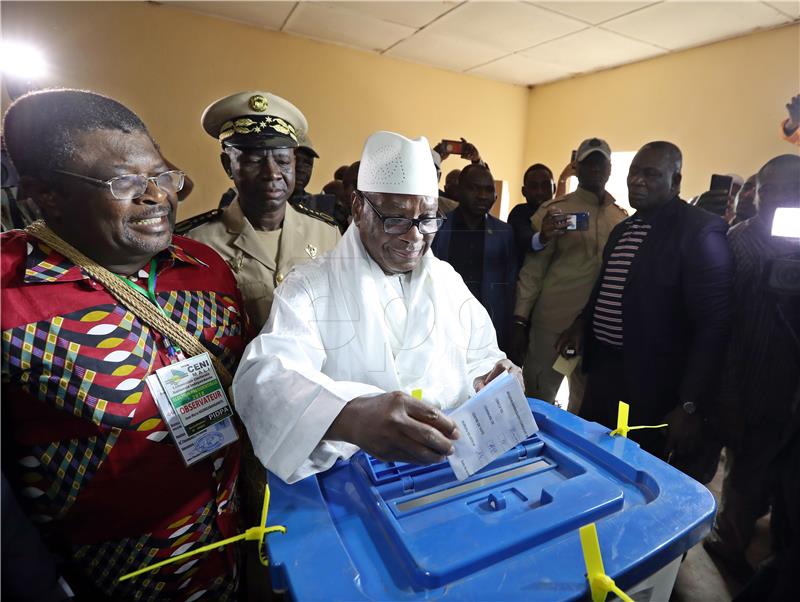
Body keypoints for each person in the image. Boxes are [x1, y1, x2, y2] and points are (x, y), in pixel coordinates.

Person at [1, 89, 247, 600]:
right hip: (113, 578)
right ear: (45, 194)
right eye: (124, 182)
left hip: (234, 544)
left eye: (162, 175)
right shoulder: (9, 294)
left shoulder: (207, 267)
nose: (156, 195)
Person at [232, 131, 519, 484]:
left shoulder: (447, 281)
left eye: (427, 218)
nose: (414, 236)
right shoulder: (310, 285)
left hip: (447, 474)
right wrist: (348, 417)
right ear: (358, 207)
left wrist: (495, 374)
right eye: (396, 218)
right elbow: (265, 376)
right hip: (352, 484)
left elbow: (480, 355)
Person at [557, 141, 734, 481]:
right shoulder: (624, 229)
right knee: (593, 458)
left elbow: (713, 326)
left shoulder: (698, 231)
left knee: (636, 473)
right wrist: (582, 323)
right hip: (605, 372)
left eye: (651, 174)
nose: (637, 181)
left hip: (653, 384)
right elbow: (606, 288)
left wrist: (689, 404)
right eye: (634, 172)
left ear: (676, 181)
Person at [704, 154, 800, 579]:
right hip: (747, 380)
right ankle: (730, 543)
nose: (777, 196)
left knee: (788, 479)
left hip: (794, 388)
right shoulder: (737, 241)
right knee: (743, 473)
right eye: (768, 188)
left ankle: (781, 549)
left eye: (789, 187)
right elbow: (717, 320)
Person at [184, 91, 340, 329]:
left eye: (283, 160)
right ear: (228, 166)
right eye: (254, 161)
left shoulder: (327, 234)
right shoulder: (195, 244)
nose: (272, 173)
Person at [510, 138, 626, 411]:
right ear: (577, 168)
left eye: (601, 164)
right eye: (589, 164)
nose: (596, 169)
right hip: (551, 324)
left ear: (610, 169)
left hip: (597, 330)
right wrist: (519, 320)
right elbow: (533, 270)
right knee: (536, 403)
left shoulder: (620, 218)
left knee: (584, 409)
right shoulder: (555, 211)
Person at [431, 163, 518, 351]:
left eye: (488, 190)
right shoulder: (438, 228)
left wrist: (512, 331)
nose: (483, 196)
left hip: (488, 324)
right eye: (474, 188)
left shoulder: (504, 232)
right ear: (458, 190)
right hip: (444, 322)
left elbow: (510, 285)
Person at [506, 163, 555, 261]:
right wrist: (541, 238)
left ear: (554, 188)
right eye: (533, 187)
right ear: (524, 191)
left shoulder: (560, 210)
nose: (540, 192)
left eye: (545, 186)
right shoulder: (519, 212)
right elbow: (524, 238)